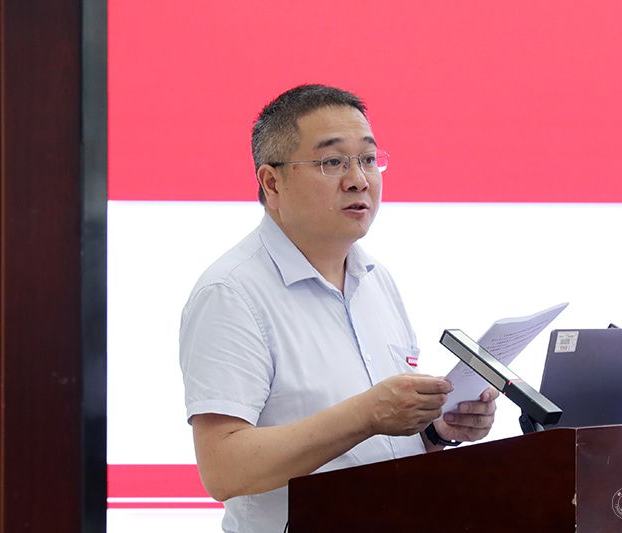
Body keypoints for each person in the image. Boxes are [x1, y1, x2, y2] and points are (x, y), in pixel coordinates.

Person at [179, 84, 498, 533]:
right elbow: (223, 469)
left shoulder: (376, 279)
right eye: (332, 162)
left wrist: (435, 430)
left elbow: (373, 449)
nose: (358, 179)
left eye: (367, 159)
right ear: (272, 183)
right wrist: (366, 414)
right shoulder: (231, 292)